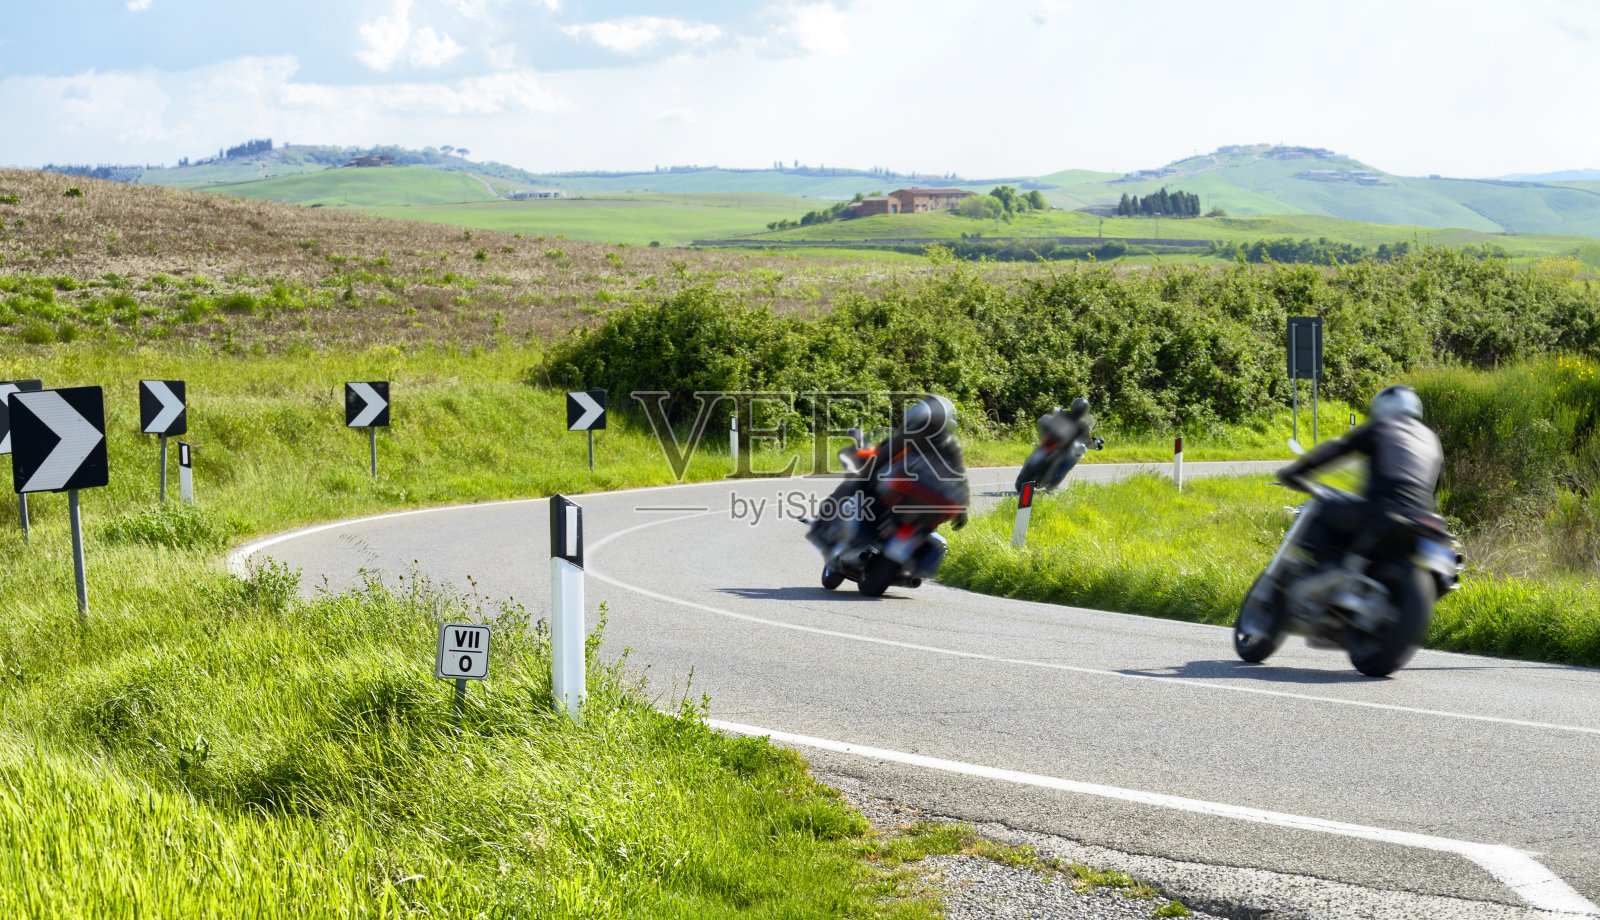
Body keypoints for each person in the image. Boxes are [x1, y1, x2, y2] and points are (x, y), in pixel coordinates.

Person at [1275, 384, 1443, 566]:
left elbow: (1338, 448)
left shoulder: (1382, 426)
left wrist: (1295, 472)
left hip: (1382, 512)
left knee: (1313, 511)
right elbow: (1434, 492)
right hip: (1420, 521)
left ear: (1386, 405)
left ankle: (1332, 569)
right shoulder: (1432, 440)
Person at [810, 395, 969, 559]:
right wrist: (962, 511)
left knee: (855, 489)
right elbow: (960, 480)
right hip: (915, 517)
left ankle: (825, 526)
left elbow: (876, 462)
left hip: (893, 507)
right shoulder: (950, 447)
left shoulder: (910, 437)